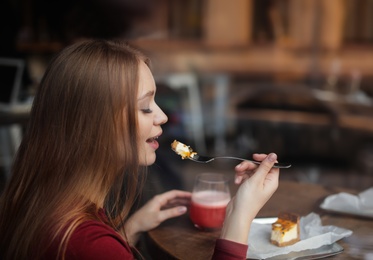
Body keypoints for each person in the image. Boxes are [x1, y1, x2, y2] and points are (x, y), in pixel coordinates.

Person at [0, 39, 279, 260]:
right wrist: (240, 217)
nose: (162, 117)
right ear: (94, 125)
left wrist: (131, 228)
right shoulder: (87, 243)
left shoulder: (43, 202)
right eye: (145, 107)